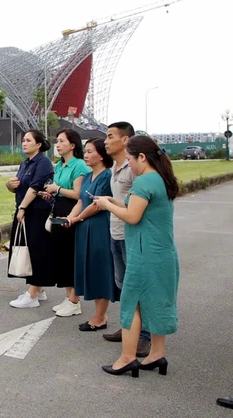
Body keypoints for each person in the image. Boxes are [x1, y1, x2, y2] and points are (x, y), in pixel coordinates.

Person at [94, 135, 180, 377]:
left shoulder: (143, 182)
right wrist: (113, 200)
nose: (128, 164)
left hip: (145, 254)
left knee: (132, 304)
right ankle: (156, 355)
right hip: (163, 253)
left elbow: (133, 217)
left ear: (142, 157)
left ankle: (127, 357)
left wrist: (107, 205)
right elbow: (136, 208)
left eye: (130, 158)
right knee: (158, 302)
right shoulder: (161, 179)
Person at [102, 121, 151, 358]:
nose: (106, 140)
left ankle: (144, 336)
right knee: (123, 285)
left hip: (131, 235)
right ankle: (129, 328)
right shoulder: (115, 166)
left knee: (138, 287)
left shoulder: (135, 169)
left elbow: (136, 206)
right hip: (116, 232)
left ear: (125, 140)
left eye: (110, 136)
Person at [61, 139, 115, 331]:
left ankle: (100, 317)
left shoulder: (107, 176)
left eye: (90, 151)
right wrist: (69, 217)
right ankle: (99, 315)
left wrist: (77, 219)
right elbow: (81, 201)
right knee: (90, 268)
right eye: (85, 151)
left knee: (100, 270)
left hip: (99, 227)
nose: (86, 155)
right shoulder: (87, 176)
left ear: (101, 155)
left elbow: (96, 205)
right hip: (85, 227)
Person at [43, 129, 90, 317]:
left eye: (62, 141)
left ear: (72, 145)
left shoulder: (79, 165)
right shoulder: (60, 165)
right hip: (59, 207)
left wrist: (58, 188)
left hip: (71, 210)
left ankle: (74, 300)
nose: (58, 144)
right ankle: (68, 296)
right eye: (57, 140)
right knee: (60, 255)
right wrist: (52, 191)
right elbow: (58, 189)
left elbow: (79, 194)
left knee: (70, 256)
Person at [7, 130, 54, 308]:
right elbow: (19, 186)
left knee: (36, 251)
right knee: (28, 249)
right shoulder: (25, 163)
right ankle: (38, 289)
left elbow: (34, 188)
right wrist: (9, 186)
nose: (24, 143)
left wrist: (23, 207)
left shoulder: (43, 163)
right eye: (23, 140)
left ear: (39, 144)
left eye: (28, 140)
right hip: (25, 211)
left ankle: (32, 294)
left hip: (36, 212)